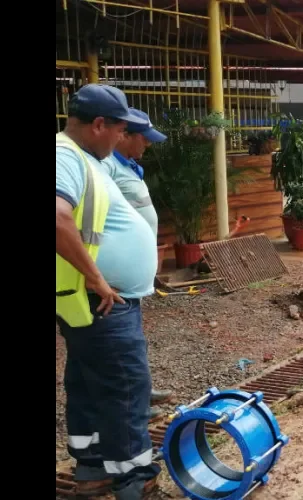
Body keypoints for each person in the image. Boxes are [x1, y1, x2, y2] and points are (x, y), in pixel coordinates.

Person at [56, 84, 161, 499]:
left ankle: (93, 471)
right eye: (118, 130)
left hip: (92, 302)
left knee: (89, 380)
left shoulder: (84, 157)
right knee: (125, 386)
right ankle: (134, 478)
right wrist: (95, 276)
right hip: (101, 299)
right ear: (99, 124)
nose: (121, 139)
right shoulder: (64, 155)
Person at [103, 108, 173, 418]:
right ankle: (134, 409)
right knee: (121, 349)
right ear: (123, 135)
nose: (147, 145)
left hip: (130, 279)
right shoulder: (105, 168)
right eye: (143, 139)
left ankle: (142, 392)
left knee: (134, 339)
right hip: (111, 281)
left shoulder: (127, 164)